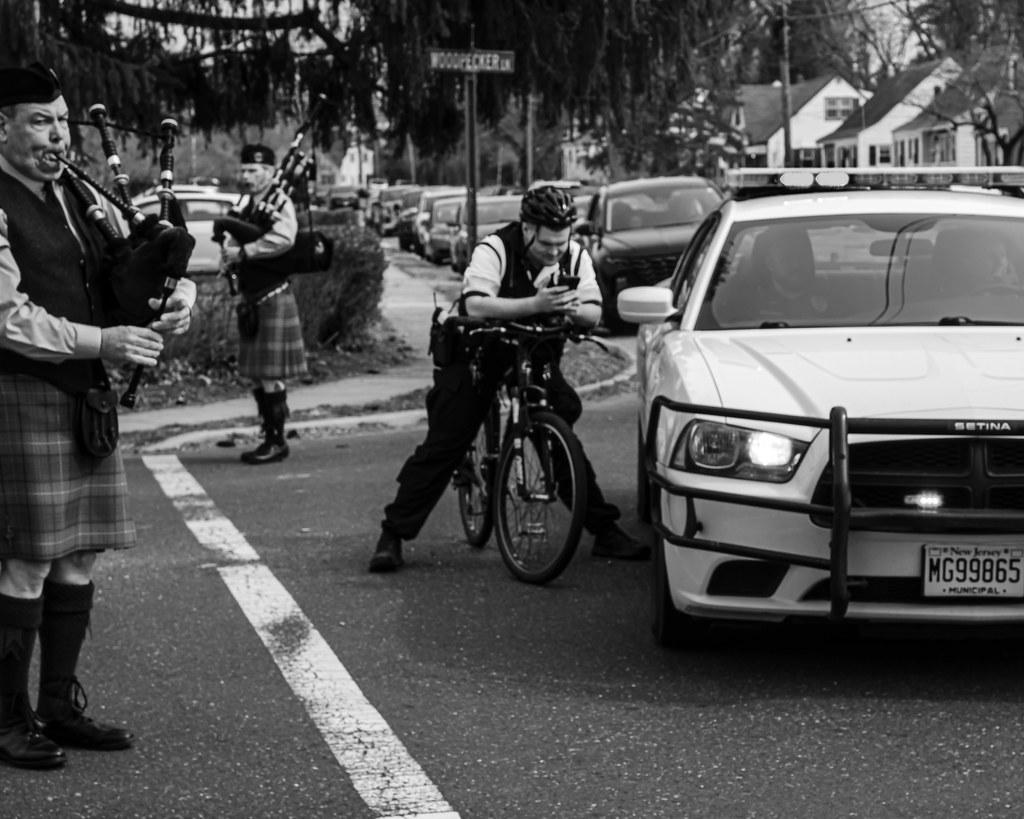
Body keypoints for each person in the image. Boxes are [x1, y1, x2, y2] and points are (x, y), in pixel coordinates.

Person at [0, 63, 195, 769]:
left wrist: (172, 300)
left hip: (85, 396)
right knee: (24, 559)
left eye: (62, 121)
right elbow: (7, 317)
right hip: (20, 389)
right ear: (1, 127)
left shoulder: (77, 195)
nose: (58, 136)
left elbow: (123, 276)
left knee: (78, 553)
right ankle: (7, 718)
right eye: (40, 121)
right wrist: (104, 342)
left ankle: (57, 706)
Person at [368, 185, 649, 572]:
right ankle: (393, 535)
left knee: (559, 434)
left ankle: (604, 531)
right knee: (447, 441)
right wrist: (535, 304)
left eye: (561, 242)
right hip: (481, 350)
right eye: (546, 243)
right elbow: (475, 304)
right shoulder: (495, 249)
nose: (555, 251)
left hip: (535, 348)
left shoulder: (574, 255)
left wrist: (572, 310)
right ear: (527, 229)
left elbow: (593, 312)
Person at [219, 143, 307, 464]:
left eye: (253, 170)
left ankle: (277, 440)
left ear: (269, 172)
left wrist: (244, 252)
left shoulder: (280, 202)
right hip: (252, 298)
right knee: (257, 375)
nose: (246, 176)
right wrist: (228, 255)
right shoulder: (245, 204)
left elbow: (284, 238)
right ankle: (267, 431)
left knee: (270, 375)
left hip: (273, 295)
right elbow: (234, 236)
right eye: (244, 170)